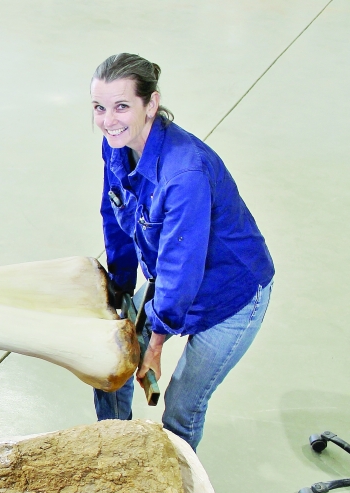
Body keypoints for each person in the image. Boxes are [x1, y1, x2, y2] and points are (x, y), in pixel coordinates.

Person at [90, 53, 274, 450]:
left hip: (230, 295)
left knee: (180, 407)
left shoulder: (183, 173)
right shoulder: (116, 146)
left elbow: (180, 267)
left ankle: (177, 492)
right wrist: (119, 295)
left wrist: (154, 343)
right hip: (176, 280)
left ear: (151, 104)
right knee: (110, 364)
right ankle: (115, 453)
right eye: (99, 108)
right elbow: (114, 217)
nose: (109, 120)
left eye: (122, 106)